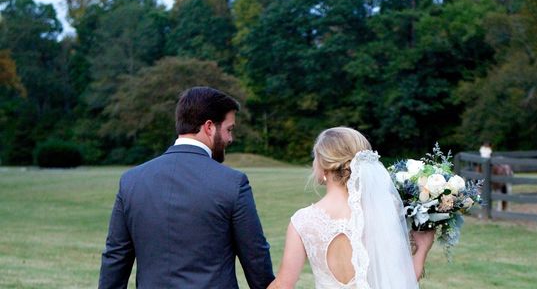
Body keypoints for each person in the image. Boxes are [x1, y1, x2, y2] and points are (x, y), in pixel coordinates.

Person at [99, 86, 274, 289]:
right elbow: (255, 258)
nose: (230, 139)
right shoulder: (233, 183)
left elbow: (115, 259)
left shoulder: (132, 181)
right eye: (229, 129)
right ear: (209, 127)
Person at [268, 127, 435, 289]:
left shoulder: (303, 220)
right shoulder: (382, 213)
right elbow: (401, 283)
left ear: (323, 163)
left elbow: (283, 285)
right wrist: (422, 251)